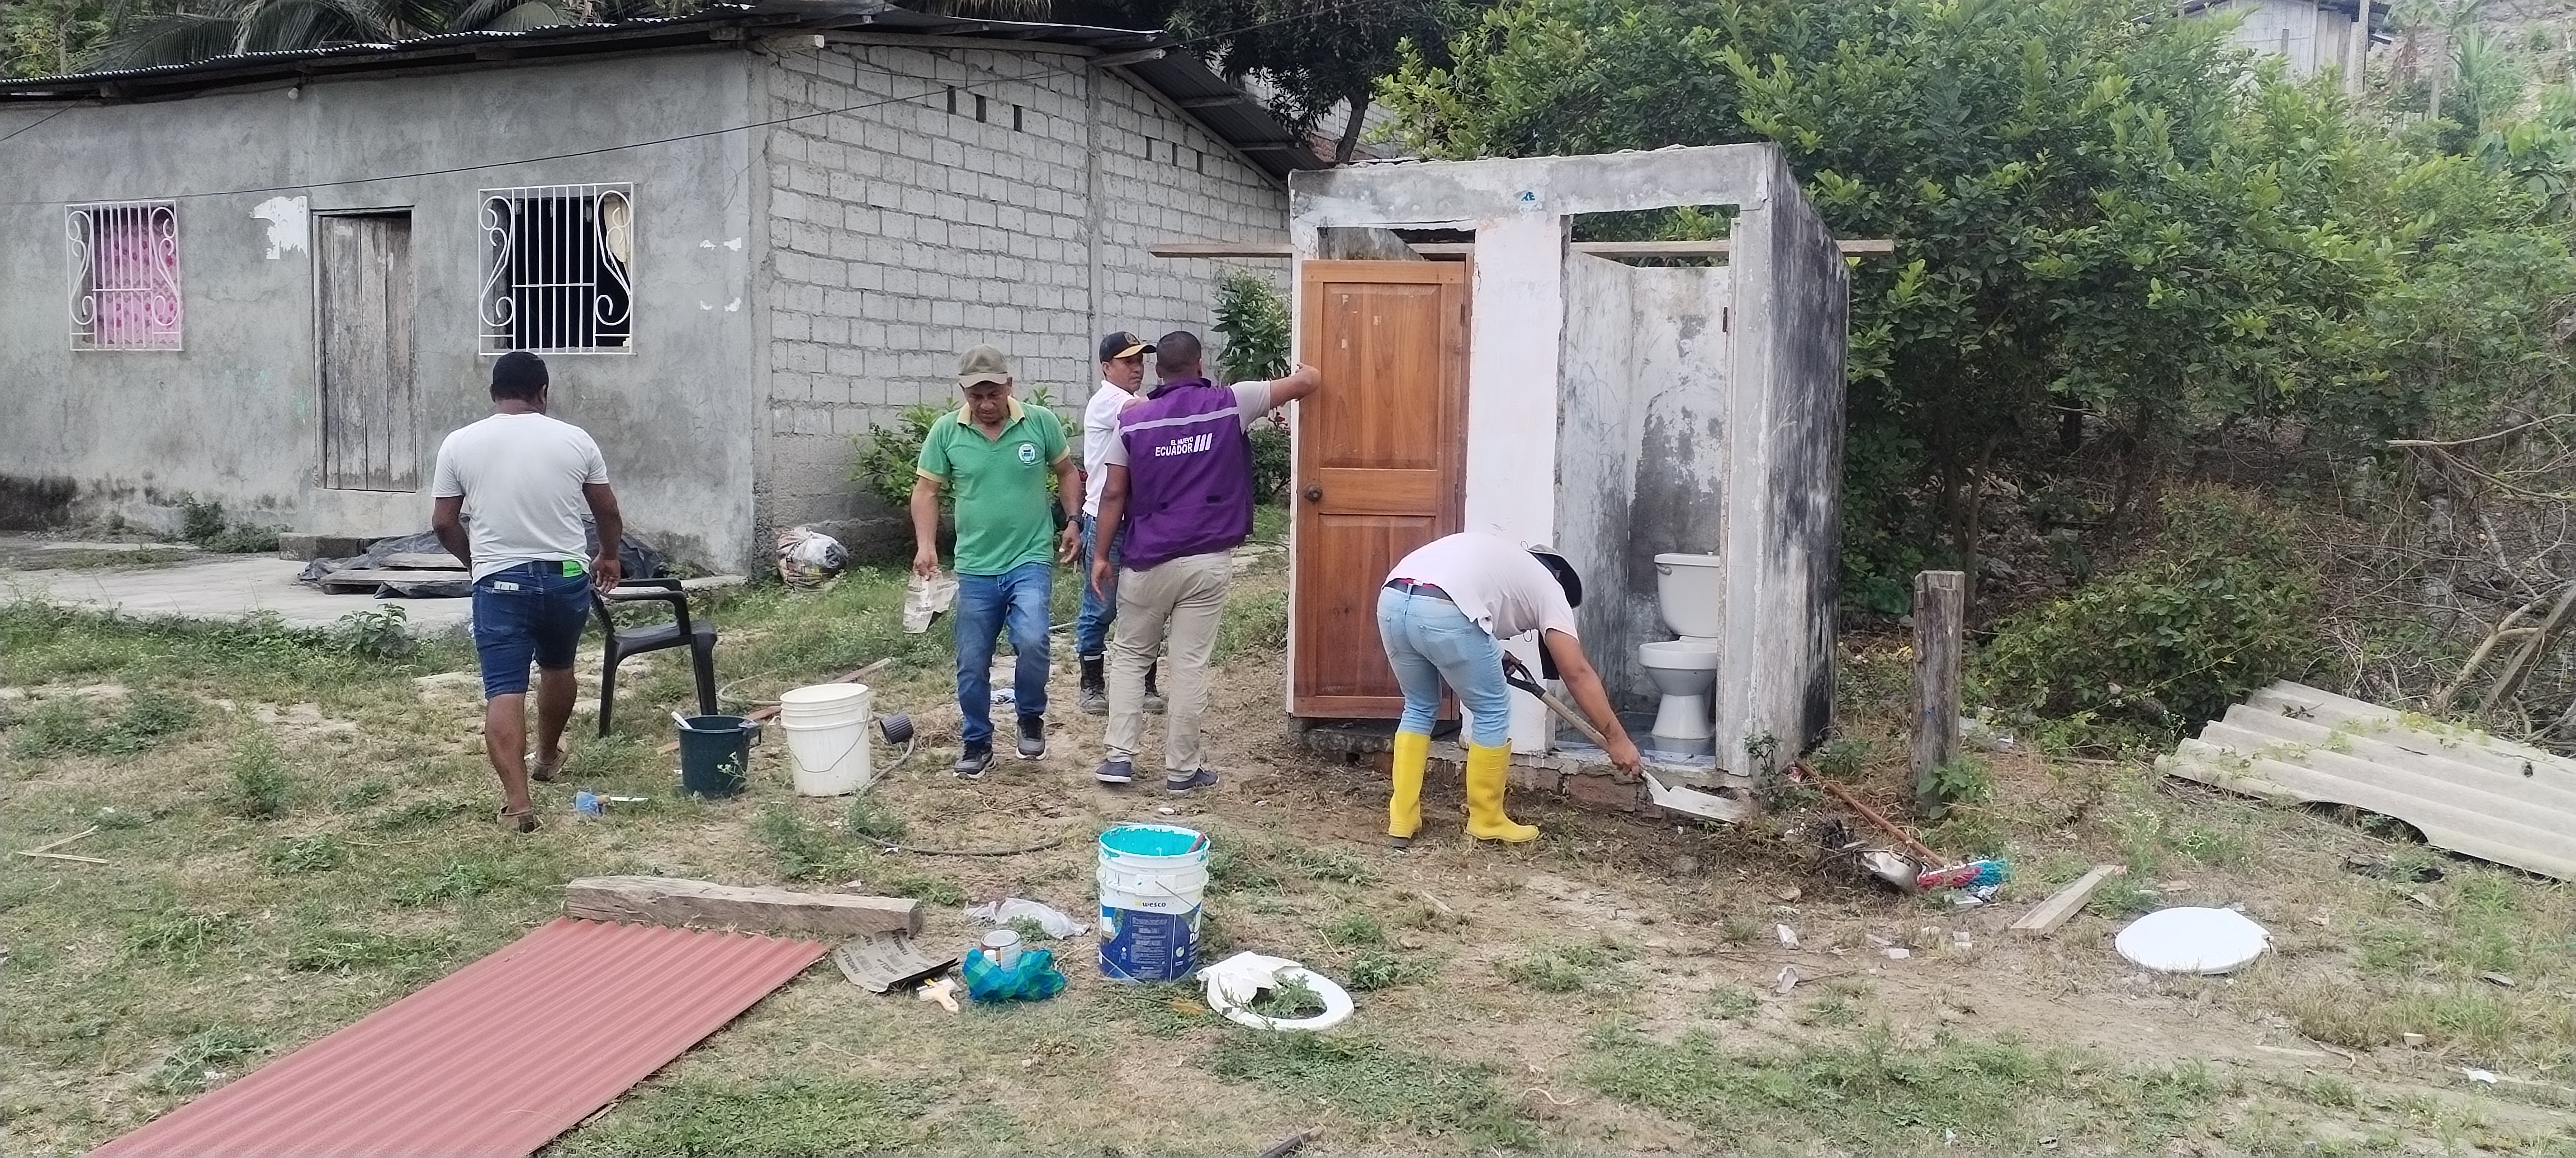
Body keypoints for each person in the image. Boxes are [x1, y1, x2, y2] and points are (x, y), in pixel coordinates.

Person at [1089, 331, 1320, 791]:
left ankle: (1119, 759)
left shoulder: (1132, 420)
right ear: (1200, 365)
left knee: (1131, 656)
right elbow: (1309, 381)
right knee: (1189, 664)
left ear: (1158, 372)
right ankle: (1182, 771)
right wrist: (1304, 362)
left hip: (1147, 559)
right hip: (1206, 560)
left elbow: (1113, 493)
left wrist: (1100, 556)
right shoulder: (1233, 402)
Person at [429, 351, 623, 834]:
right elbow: (607, 510)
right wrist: (609, 556)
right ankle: (548, 756)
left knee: (504, 688)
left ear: (493, 393)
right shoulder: (575, 440)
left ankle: (519, 806)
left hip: (500, 582)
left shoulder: (459, 444)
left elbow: (443, 522)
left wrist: (476, 563)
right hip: (565, 576)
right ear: (543, 393)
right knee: (559, 667)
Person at [1377, 532, 1642, 846]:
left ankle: (1402, 819)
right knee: (1491, 709)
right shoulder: (1550, 586)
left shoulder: (1504, 562)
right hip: (1447, 607)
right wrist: (1618, 740)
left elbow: (1471, 611)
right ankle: (1486, 820)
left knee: (1419, 706)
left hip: (1393, 599)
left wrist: (1496, 654)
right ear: (1558, 576)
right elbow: (1577, 673)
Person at [912, 344, 1082, 780]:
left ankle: (1030, 717)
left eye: (994, 394)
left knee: (1033, 639)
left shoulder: (1039, 423)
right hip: (975, 567)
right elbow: (926, 491)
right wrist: (926, 545)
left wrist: (1073, 521)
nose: (986, 405)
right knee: (972, 660)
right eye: (976, 396)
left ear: (1010, 385)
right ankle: (977, 741)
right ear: (963, 392)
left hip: (1029, 558)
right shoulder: (947, 432)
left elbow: (1067, 471)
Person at [1076, 331, 1162, 718]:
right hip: (1105, 518)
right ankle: (1091, 683)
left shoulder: (1131, 399)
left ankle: (1144, 682)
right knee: (1101, 606)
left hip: (1140, 517)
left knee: (1147, 603)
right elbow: (1143, 411)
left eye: (1140, 361)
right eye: (1128, 362)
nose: (1137, 368)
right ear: (1106, 368)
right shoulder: (1109, 402)